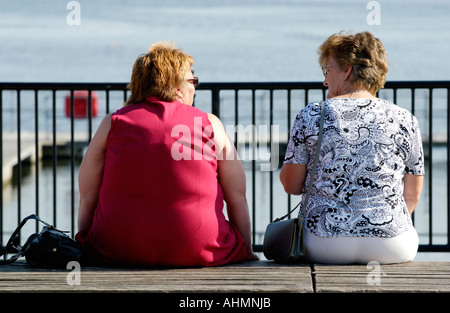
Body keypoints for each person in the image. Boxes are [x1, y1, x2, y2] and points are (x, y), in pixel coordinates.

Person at [76, 41, 258, 267]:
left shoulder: (112, 123)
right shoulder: (210, 124)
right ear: (178, 88)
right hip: (200, 248)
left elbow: (86, 194)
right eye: (193, 81)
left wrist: (85, 242)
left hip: (114, 249)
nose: (195, 87)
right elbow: (237, 194)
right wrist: (246, 249)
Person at [280, 31, 424, 264]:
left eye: (328, 71)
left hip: (324, 243)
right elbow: (412, 194)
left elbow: (291, 185)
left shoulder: (311, 114)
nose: (325, 81)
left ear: (346, 70)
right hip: (392, 246)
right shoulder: (406, 119)